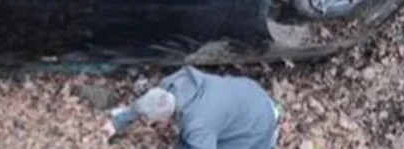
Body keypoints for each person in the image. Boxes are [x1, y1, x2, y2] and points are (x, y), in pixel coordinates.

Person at [103, 66, 283, 149]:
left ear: (166, 118)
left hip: (258, 129)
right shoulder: (174, 82)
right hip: (251, 94)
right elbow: (147, 103)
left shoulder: (198, 126)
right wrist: (116, 123)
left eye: (154, 122)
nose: (150, 124)